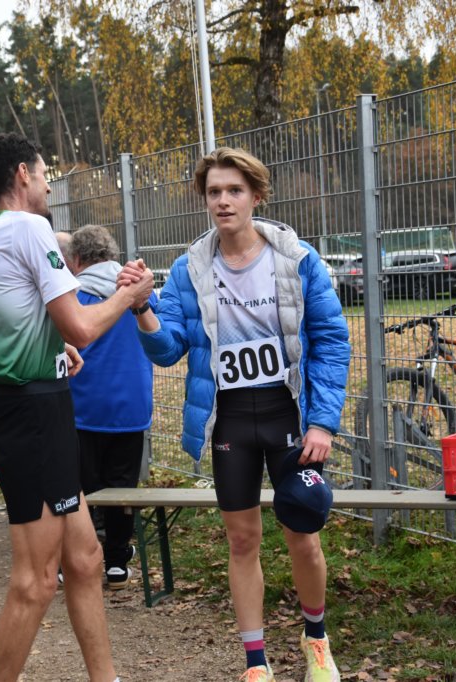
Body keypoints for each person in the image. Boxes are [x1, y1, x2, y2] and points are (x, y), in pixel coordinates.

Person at [120, 147, 350, 682]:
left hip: (288, 415)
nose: (223, 201)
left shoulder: (296, 259)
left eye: (234, 191)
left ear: (256, 197)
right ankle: (255, 663)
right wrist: (141, 307)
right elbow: (168, 349)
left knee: (303, 535)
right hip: (230, 420)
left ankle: (316, 640)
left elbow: (332, 342)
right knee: (242, 540)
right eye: (214, 192)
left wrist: (322, 422)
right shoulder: (189, 269)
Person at [0, 132, 154, 682]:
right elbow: (82, 328)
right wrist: (129, 296)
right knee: (35, 581)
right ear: (22, 175)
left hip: (28, 411)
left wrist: (44, 344)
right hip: (35, 416)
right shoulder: (33, 229)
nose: (49, 186)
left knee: (84, 560)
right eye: (44, 175)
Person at [67, 224, 157, 590]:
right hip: (131, 406)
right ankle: (117, 562)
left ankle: (74, 561)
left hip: (83, 407)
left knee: (79, 488)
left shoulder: (73, 296)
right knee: (122, 488)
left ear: (76, 259)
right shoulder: (137, 292)